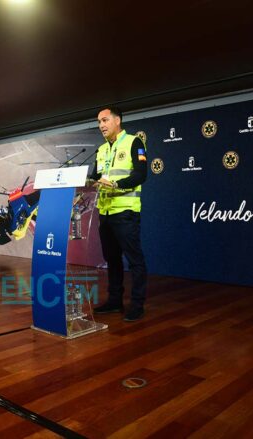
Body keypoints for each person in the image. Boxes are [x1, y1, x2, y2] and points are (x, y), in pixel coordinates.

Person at [90, 107, 148, 322]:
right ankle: (115, 301)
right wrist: (87, 183)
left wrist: (116, 184)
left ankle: (137, 305)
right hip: (105, 212)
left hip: (125, 211)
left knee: (134, 260)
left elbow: (141, 174)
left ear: (117, 121)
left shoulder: (134, 142)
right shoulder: (101, 150)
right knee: (112, 259)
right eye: (99, 122)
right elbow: (95, 177)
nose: (101, 125)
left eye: (105, 120)